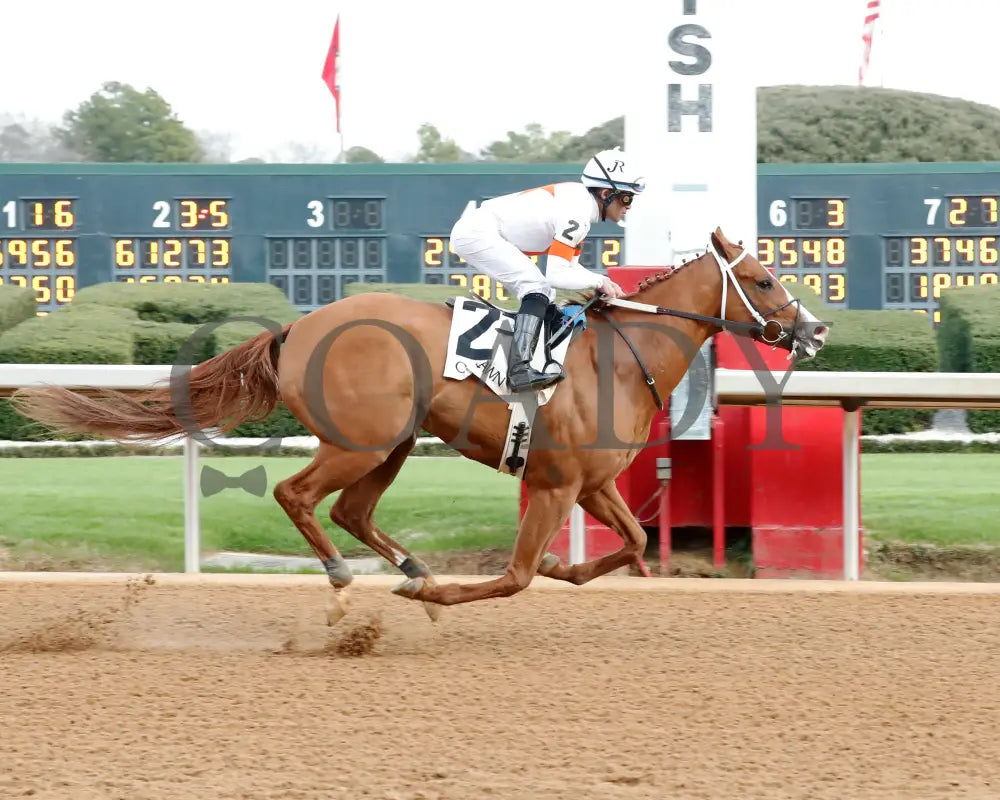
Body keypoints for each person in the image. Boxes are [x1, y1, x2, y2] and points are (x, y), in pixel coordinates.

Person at [450, 147, 646, 393]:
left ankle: (535, 358)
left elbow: (570, 268)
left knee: (545, 296)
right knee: (537, 288)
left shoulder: (580, 205)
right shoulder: (578, 213)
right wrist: (599, 281)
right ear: (606, 193)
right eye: (626, 197)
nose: (629, 205)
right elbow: (556, 275)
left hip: (479, 230)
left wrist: (598, 282)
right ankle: (519, 369)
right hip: (477, 233)